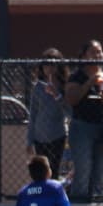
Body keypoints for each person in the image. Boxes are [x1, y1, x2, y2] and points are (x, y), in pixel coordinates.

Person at [64, 39, 103, 203]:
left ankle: (100, 204)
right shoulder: (77, 76)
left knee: (102, 171)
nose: (98, 55)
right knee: (83, 169)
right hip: (82, 128)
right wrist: (89, 82)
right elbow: (71, 99)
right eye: (93, 52)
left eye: (100, 52)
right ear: (84, 56)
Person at [26, 49, 70, 177]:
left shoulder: (64, 86)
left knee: (54, 170)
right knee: (41, 171)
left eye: (53, 65)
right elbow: (33, 114)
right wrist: (29, 141)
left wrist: (57, 95)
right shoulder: (38, 88)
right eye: (46, 65)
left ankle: (53, 194)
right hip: (40, 137)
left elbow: (69, 112)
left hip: (57, 135)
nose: (49, 68)